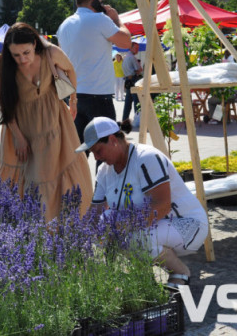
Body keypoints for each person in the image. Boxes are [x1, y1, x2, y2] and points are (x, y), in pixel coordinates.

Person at [75, 117, 208, 286]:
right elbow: (96, 212)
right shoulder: (104, 170)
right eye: (93, 153)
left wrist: (121, 228)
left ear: (113, 140)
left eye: (98, 150)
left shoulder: (147, 158)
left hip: (187, 225)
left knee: (130, 238)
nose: (96, 157)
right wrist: (78, 240)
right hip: (153, 227)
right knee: (107, 221)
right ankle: (144, 278)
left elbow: (162, 206)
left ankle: (180, 272)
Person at [0, 22, 93, 222]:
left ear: (35, 44)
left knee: (52, 171)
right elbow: (6, 105)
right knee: (21, 174)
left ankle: (56, 224)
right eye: (16, 55)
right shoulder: (5, 64)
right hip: (20, 125)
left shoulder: (51, 53)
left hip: (54, 121)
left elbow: (70, 70)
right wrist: (19, 137)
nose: (22, 59)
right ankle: (15, 226)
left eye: (26, 52)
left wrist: (73, 99)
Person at [56, 0, 132, 148]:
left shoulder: (64, 26)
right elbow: (126, 42)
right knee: (106, 152)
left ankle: (76, 176)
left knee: (77, 154)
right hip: (98, 96)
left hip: (74, 96)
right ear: (94, 0)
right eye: (101, 0)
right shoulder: (100, 19)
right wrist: (116, 19)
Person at [122, 42, 143, 122]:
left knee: (128, 101)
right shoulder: (132, 57)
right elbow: (140, 69)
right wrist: (138, 70)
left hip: (128, 80)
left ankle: (125, 119)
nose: (137, 49)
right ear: (131, 48)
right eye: (135, 48)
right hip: (133, 79)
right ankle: (137, 119)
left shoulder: (126, 57)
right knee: (136, 100)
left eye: (138, 48)